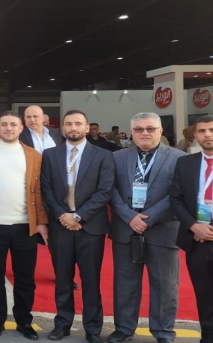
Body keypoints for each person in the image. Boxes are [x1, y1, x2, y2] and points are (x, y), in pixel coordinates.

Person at [108, 112, 183, 343]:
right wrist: (130, 217)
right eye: (139, 129)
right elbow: (110, 190)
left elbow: (178, 194)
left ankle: (163, 332)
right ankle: (124, 328)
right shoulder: (116, 157)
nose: (144, 133)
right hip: (125, 229)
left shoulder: (179, 158)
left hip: (163, 230)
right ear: (131, 132)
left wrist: (147, 219)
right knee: (125, 283)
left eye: (150, 128)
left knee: (165, 285)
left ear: (160, 131)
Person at [40, 110, 114, 343]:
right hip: (60, 225)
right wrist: (63, 216)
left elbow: (104, 191)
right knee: (62, 279)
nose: (73, 128)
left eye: (78, 124)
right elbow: (46, 189)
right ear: (62, 127)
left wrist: (78, 217)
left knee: (90, 280)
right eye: (69, 124)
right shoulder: (50, 155)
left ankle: (92, 328)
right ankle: (62, 324)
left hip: (90, 228)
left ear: (87, 128)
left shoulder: (103, 155)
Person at [0, 111, 47, 340]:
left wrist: (41, 222)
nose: (9, 128)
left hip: (24, 226)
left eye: (13, 125)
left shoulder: (34, 155)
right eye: (4, 124)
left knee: (25, 277)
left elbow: (39, 192)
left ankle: (24, 321)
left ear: (21, 129)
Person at [170, 114, 213, 343]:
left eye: (212, 130)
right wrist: (194, 226)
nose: (207, 135)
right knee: (204, 295)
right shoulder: (185, 163)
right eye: (202, 131)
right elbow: (176, 199)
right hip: (196, 240)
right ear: (195, 135)